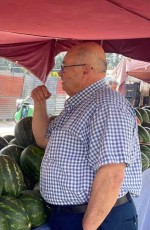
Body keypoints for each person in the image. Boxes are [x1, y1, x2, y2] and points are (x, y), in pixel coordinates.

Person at [31, 42, 141, 230]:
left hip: (97, 220)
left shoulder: (107, 106)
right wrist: (39, 103)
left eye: (64, 67)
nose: (60, 73)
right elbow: (42, 139)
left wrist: (88, 226)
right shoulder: (78, 105)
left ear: (86, 70)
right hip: (72, 217)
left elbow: (112, 174)